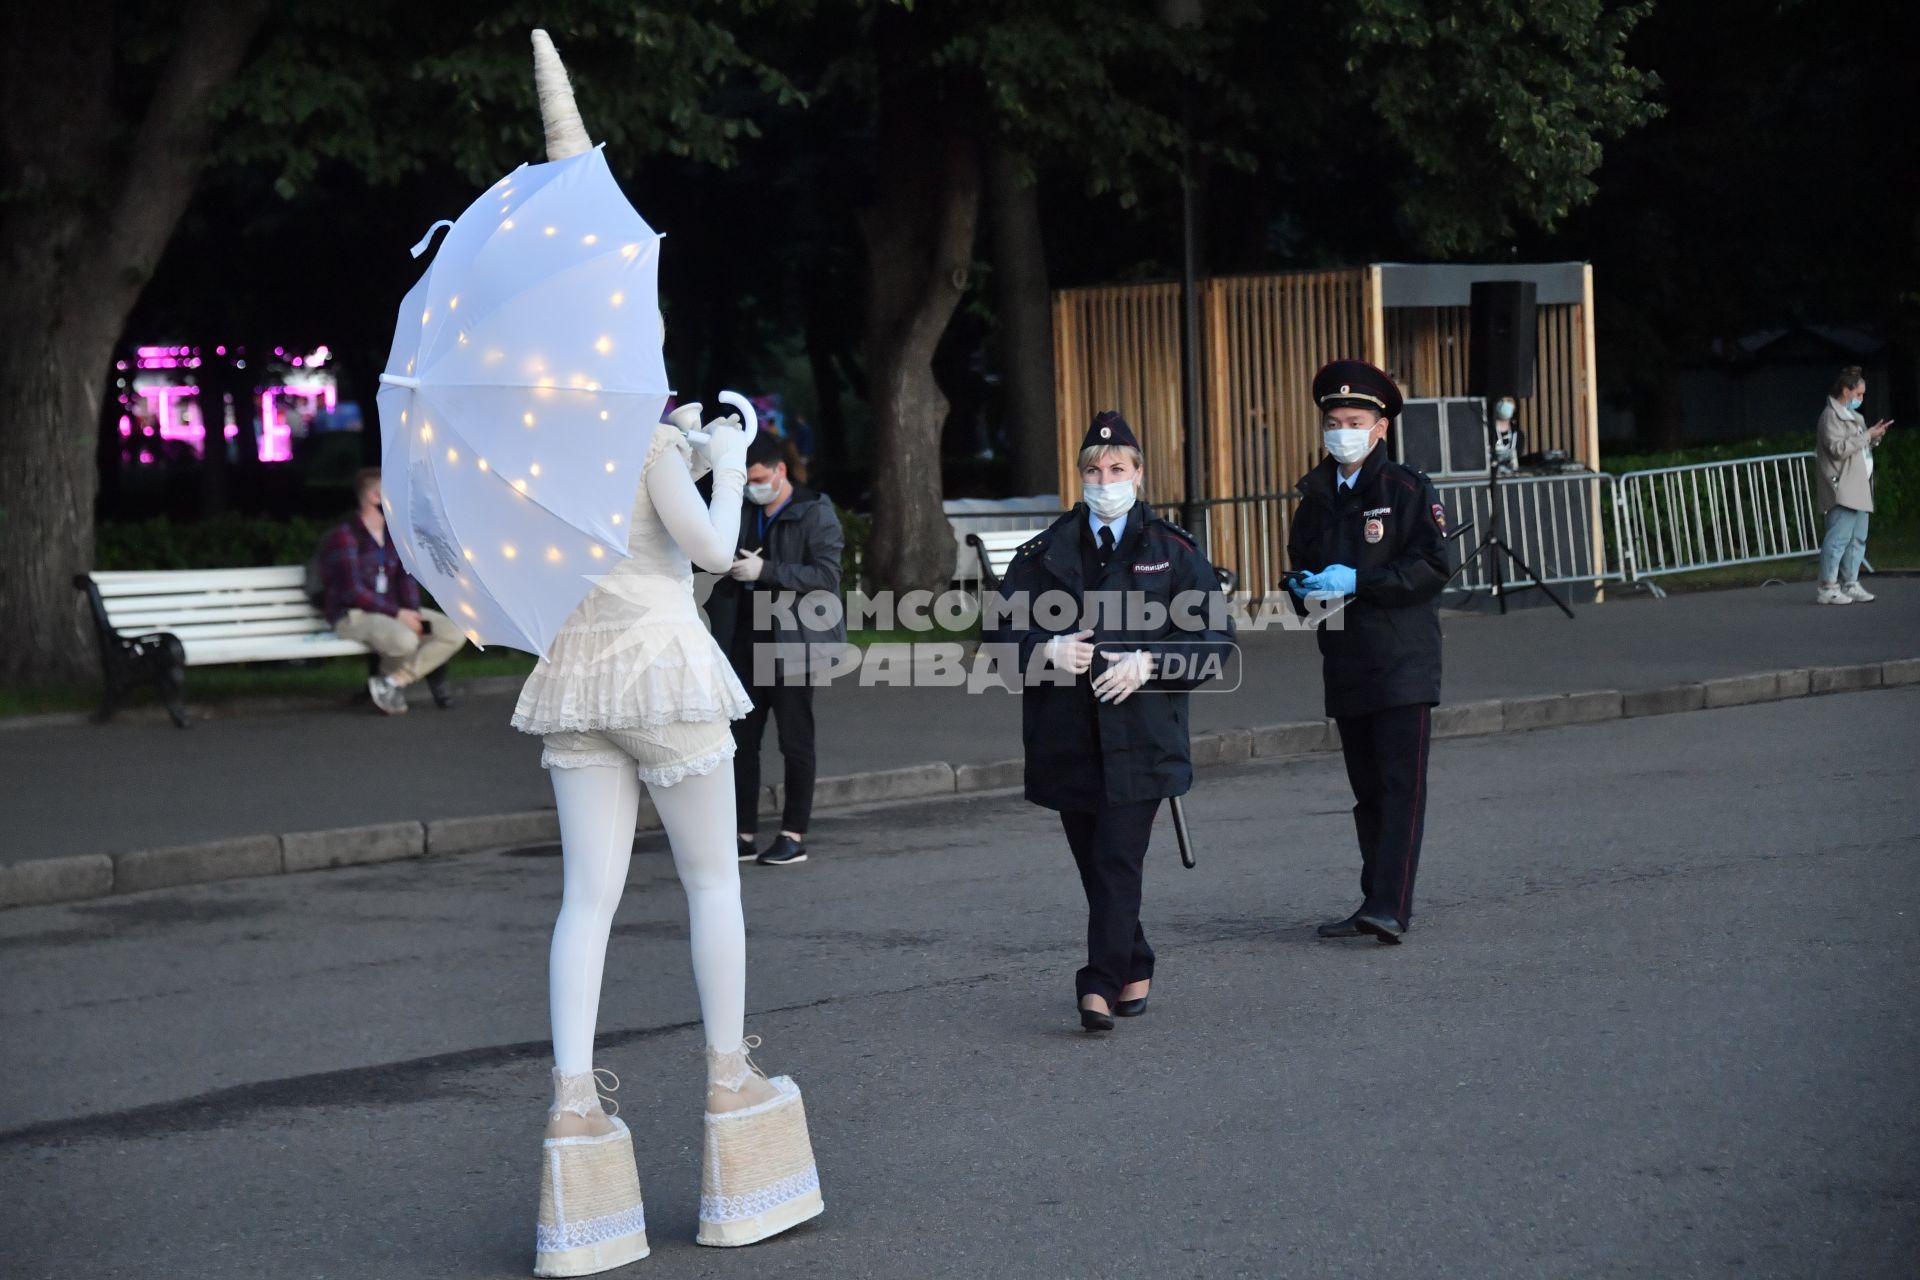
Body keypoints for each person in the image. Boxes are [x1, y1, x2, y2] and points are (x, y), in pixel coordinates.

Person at [504, 34, 821, 1275]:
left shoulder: (542, 442)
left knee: (585, 898)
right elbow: (710, 551)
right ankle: (730, 1084)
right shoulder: (638, 428)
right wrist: (725, 459)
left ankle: (575, 1104)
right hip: (664, 666)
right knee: (712, 886)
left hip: (579, 670)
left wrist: (675, 454)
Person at [986, 410, 1235, 1033]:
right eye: (1093, 470)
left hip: (1142, 738)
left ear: (1139, 475)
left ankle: (1096, 983)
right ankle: (1137, 959)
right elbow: (997, 638)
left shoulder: (1172, 551)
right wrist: (1045, 648)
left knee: (1117, 861)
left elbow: (1216, 643)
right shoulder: (1044, 553)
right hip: (1067, 739)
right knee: (1096, 864)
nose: (1104, 480)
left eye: (1117, 469)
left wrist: (1152, 661)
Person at [1288, 359, 1447, 945]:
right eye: (1333, 420)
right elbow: (1302, 571)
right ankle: (1373, 898)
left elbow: (1432, 567)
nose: (1341, 430)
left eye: (1353, 419)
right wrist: (1302, 589)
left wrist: (1357, 580)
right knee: (1368, 792)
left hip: (1403, 660)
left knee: (1401, 788)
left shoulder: (1405, 488)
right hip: (1347, 661)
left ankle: (1391, 906)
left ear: (1380, 427)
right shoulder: (1315, 496)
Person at [707, 433, 846, 868]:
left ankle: (793, 834)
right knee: (740, 742)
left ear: (781, 471)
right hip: (746, 641)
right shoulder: (747, 510)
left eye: (760, 478)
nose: (753, 487)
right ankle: (743, 834)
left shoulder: (814, 511)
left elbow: (825, 577)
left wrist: (764, 570)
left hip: (795, 642)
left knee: (795, 741)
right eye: (748, 481)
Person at [319, 467, 464, 714]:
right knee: (405, 640)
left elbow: (404, 579)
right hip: (354, 616)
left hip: (392, 614)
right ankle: (387, 684)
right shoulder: (345, 536)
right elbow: (353, 592)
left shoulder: (392, 535)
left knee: (454, 631)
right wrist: (399, 615)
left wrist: (412, 613)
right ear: (375, 497)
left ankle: (392, 682)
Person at [1814, 365, 1890, 605]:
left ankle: (1851, 583)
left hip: (1858, 485)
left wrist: (1872, 438)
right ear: (1845, 391)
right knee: (1838, 538)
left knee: (1857, 538)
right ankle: (1828, 586)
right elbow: (1837, 449)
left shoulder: (1853, 417)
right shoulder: (1830, 416)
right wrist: (1866, 436)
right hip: (1843, 485)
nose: (1861, 399)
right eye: (1859, 394)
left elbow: (1857, 446)